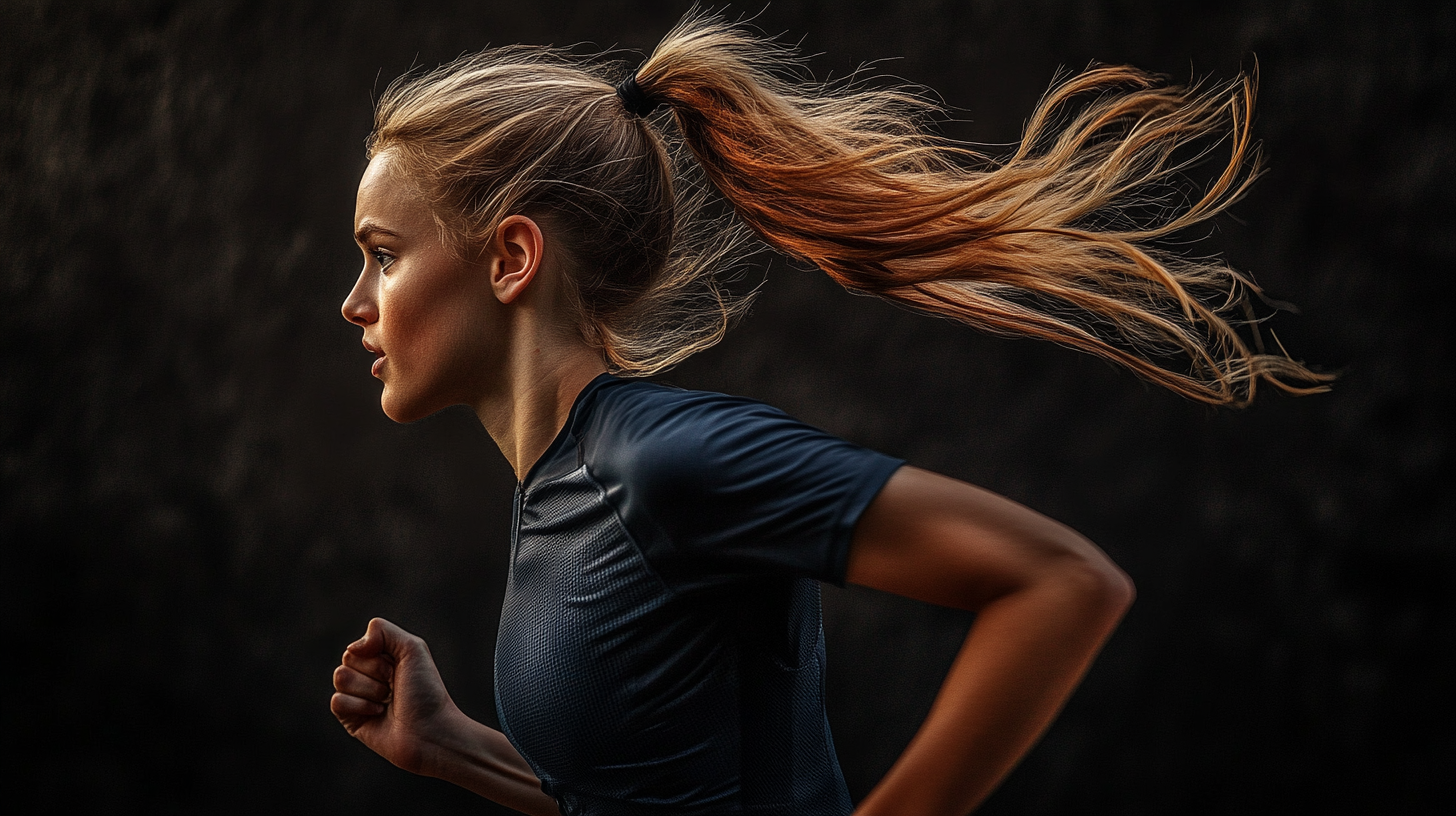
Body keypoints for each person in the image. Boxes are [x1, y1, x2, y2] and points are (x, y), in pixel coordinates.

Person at [328, 11, 1329, 816]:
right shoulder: (560, 487)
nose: (354, 301)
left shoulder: (662, 461)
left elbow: (1062, 583)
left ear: (510, 258)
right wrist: (458, 751)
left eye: (383, 252)